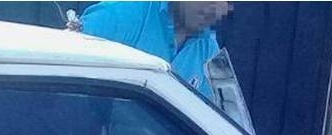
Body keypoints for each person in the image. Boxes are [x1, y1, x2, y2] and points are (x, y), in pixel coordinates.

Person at [72, 2, 231, 101]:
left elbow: (219, 121)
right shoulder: (117, 16)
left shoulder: (208, 48)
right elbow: (63, 72)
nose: (216, 6)